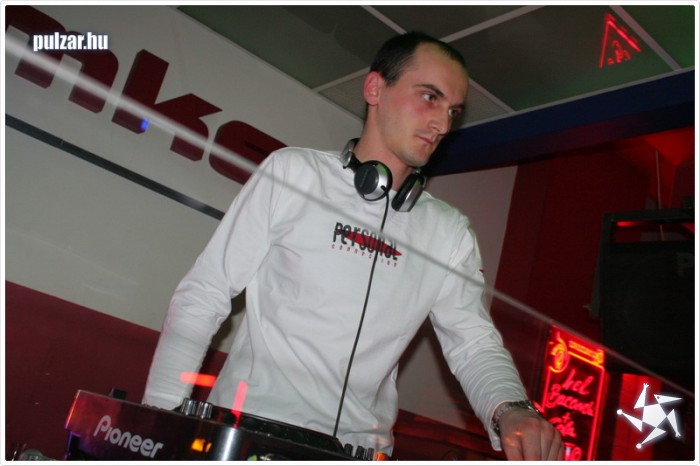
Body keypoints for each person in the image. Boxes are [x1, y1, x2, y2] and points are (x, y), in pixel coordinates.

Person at [143, 32, 563, 461]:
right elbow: (205, 293)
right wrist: (159, 421)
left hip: (361, 452)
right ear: (375, 89)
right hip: (250, 435)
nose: (442, 124)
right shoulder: (294, 174)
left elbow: (473, 343)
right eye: (430, 97)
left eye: (453, 111)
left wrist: (510, 408)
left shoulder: (448, 231)